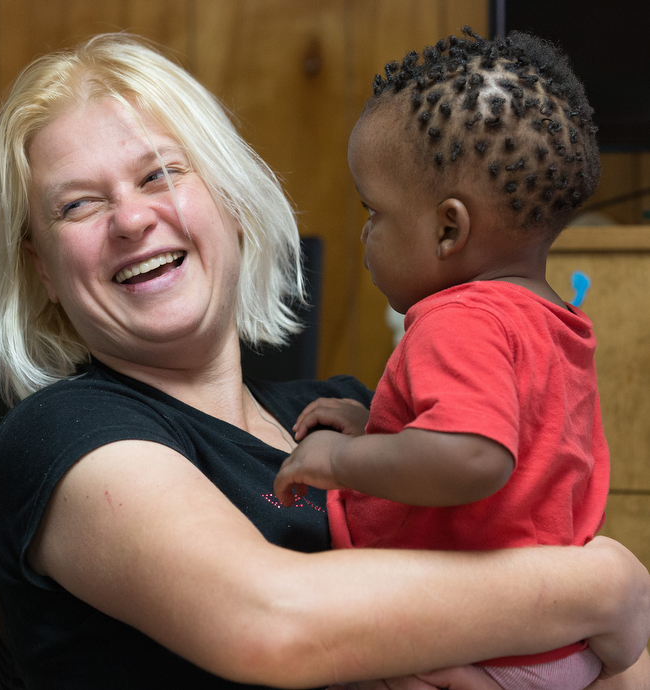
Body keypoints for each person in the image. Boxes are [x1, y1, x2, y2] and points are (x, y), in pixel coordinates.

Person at [0, 33, 650, 690]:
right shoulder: (58, 435)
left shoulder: (353, 413)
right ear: (43, 269)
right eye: (78, 205)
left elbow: (621, 664)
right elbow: (270, 620)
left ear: (232, 203)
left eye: (160, 173)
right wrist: (599, 583)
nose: (130, 220)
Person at [273, 29, 642, 690]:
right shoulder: (551, 321)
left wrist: (340, 460)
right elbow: (515, 450)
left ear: (449, 228)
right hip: (551, 636)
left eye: (373, 211)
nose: (364, 231)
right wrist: (379, 426)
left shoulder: (458, 320)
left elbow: (474, 456)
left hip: (487, 647)